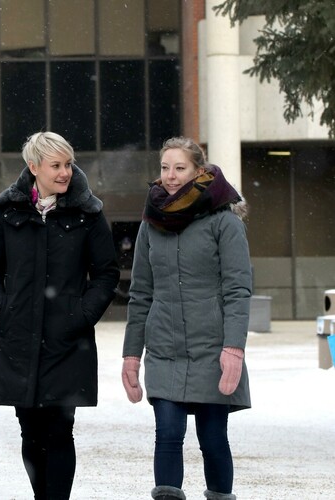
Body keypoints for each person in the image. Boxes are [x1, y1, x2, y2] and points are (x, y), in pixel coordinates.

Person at [0, 131, 120, 499]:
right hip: (17, 339)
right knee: (30, 430)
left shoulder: (87, 213)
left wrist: (81, 315)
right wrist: (0, 311)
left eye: (68, 164)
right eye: (56, 165)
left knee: (59, 429)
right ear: (34, 167)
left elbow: (106, 274)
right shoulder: (7, 212)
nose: (65, 172)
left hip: (67, 340)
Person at [121, 137, 252, 500]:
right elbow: (140, 294)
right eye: (165, 168)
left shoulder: (224, 221)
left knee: (212, 439)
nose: (171, 176)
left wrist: (233, 348)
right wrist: (131, 356)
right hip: (164, 347)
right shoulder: (151, 222)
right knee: (167, 434)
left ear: (198, 171)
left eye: (180, 168)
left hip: (213, 348)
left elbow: (238, 290)